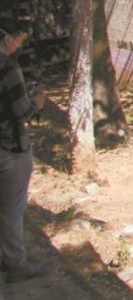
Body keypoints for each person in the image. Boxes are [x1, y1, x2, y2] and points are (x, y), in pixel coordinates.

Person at [0, 15, 52, 283]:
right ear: (7, 39)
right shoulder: (8, 68)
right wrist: (37, 104)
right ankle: (15, 262)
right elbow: (22, 110)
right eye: (18, 40)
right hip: (10, 145)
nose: (19, 46)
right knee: (12, 207)